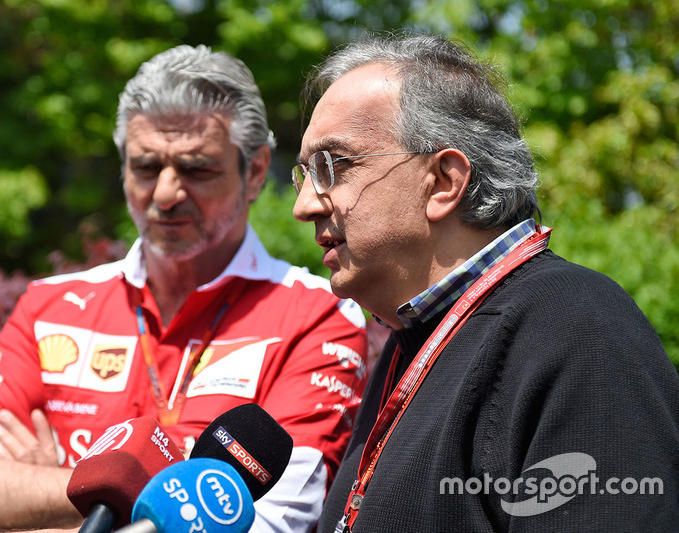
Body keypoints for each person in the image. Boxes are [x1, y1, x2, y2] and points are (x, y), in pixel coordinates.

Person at [0, 44, 368, 532]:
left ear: (257, 171)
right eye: (145, 167)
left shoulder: (320, 314)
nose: (165, 193)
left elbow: (265, 526)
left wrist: (55, 485)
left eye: (196, 168)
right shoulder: (48, 305)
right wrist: (174, 491)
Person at [291, 32, 679, 532]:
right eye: (305, 174)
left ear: (445, 181)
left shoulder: (578, 327)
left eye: (334, 166)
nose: (304, 207)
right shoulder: (414, 340)